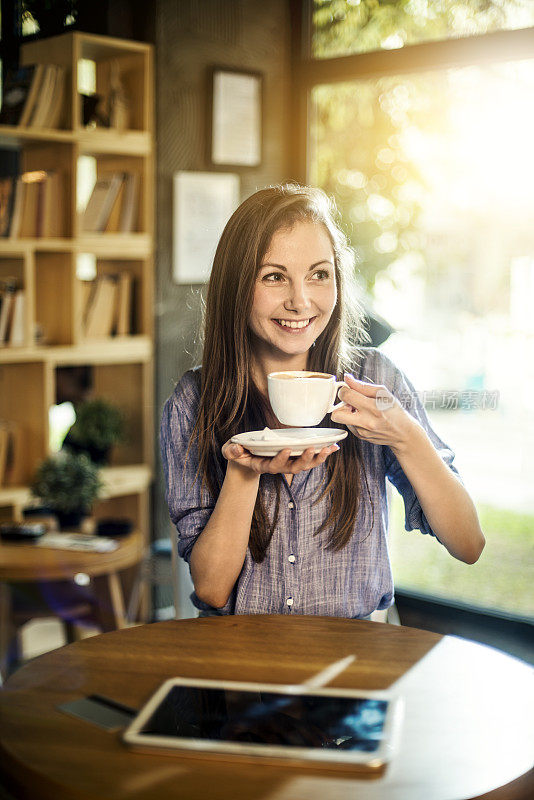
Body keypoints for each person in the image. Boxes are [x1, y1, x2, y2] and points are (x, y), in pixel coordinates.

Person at [160, 184, 485, 619]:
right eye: (273, 276)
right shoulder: (194, 402)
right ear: (237, 285)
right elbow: (213, 589)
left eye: (319, 274)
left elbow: (468, 544)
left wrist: (405, 435)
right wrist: (244, 471)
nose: (301, 301)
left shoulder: (377, 380)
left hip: (356, 662)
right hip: (239, 664)